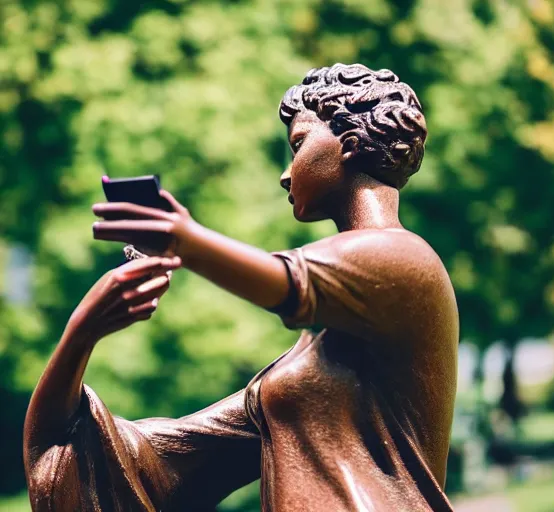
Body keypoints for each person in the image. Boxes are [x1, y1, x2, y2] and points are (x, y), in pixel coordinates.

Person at [24, 63, 459, 511]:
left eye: (298, 145)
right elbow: (135, 460)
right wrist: (83, 332)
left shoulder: (405, 259)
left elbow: (287, 283)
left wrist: (188, 243)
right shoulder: (297, 376)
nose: (287, 174)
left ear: (349, 143)